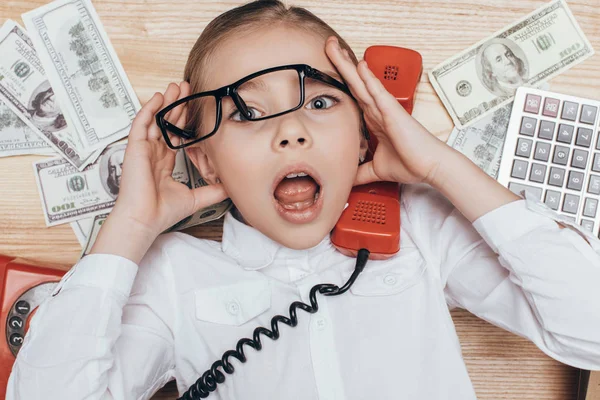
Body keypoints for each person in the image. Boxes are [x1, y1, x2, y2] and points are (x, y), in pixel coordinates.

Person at [7, 1, 600, 399]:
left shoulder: (422, 232)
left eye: (320, 103)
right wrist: (130, 226)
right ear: (206, 157)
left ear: (365, 131)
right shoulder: (170, 278)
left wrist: (440, 167)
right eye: (247, 112)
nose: (290, 132)